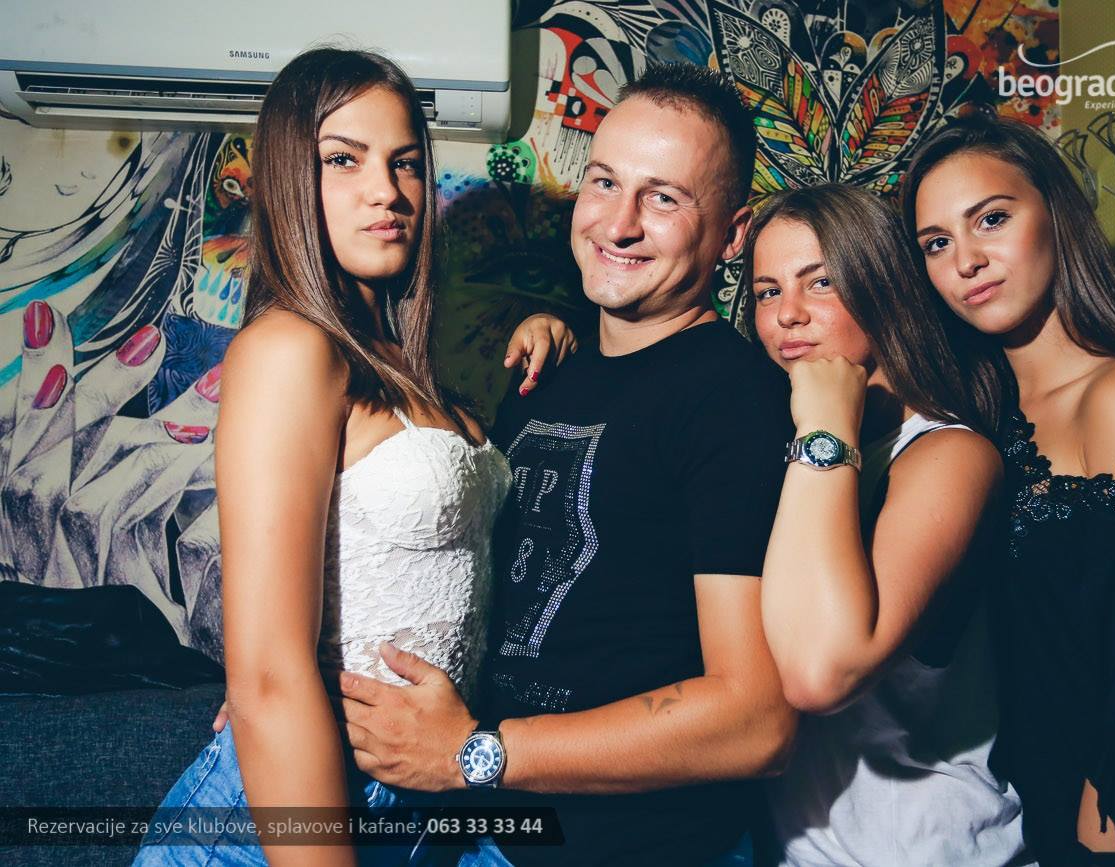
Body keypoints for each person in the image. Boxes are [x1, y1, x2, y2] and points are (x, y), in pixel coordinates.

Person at [337, 63, 797, 867]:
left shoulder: (735, 400)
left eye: (663, 198)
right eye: (604, 182)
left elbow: (755, 719)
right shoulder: (550, 375)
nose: (618, 224)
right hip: (489, 831)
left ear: (733, 234)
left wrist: (475, 752)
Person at [134, 48, 573, 866]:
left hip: (424, 804)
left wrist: (555, 338)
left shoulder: (403, 365)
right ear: (289, 179)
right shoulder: (290, 347)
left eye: (405, 163)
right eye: (344, 159)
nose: (388, 191)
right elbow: (269, 677)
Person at [903, 114, 1115, 866]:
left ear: (1055, 213)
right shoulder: (976, 416)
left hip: (1110, 828)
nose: (967, 261)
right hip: (1008, 809)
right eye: (937, 243)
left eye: (991, 219)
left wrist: (1098, 847)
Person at [747, 184, 1031, 866]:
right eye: (766, 291)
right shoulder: (787, 447)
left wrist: (824, 425)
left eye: (820, 282)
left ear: (883, 288)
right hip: (795, 847)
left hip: (926, 850)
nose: (787, 314)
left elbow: (819, 674)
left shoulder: (949, 455)